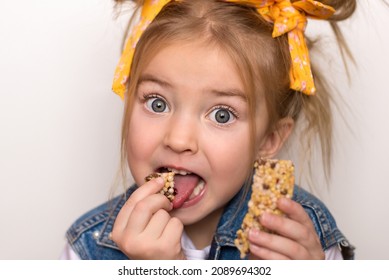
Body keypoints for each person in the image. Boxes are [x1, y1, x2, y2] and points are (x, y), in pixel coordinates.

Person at [62, 0, 356, 260]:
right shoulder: (88, 248)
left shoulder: (305, 245)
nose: (179, 139)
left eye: (222, 114)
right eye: (158, 104)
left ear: (268, 139)